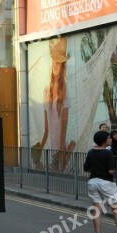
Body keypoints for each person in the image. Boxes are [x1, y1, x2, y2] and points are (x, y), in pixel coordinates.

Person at [83, 130, 117, 233]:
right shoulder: (108, 153)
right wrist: (116, 171)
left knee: (97, 209)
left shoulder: (90, 152)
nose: (110, 139)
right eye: (108, 138)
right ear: (104, 141)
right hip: (106, 183)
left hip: (92, 182)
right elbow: (110, 171)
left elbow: (86, 169)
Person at [44, 37, 72, 171]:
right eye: (54, 62)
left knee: (58, 172)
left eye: (58, 63)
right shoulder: (47, 90)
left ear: (62, 66)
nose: (55, 65)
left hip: (60, 143)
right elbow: (46, 126)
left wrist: (61, 146)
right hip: (52, 143)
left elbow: (65, 123)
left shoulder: (65, 92)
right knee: (53, 173)